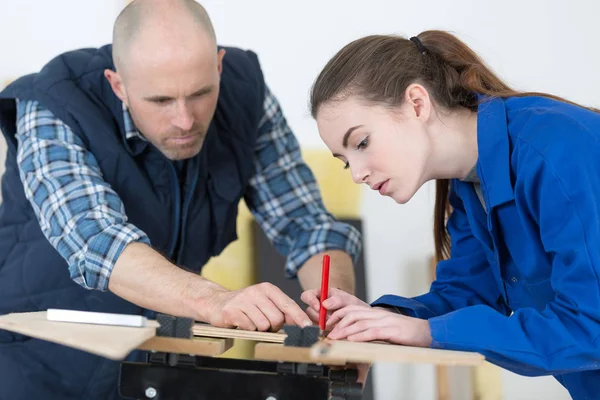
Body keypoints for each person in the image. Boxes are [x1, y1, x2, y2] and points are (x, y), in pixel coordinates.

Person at [0, 1, 361, 398]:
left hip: (155, 364)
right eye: (161, 101)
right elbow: (96, 242)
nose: (185, 120)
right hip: (37, 368)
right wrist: (216, 300)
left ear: (218, 66)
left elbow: (305, 223)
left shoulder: (246, 93)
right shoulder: (51, 104)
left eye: (201, 93)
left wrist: (341, 315)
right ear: (118, 84)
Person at [301, 30, 600, 400]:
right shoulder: (470, 186)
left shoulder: (556, 152)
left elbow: (591, 325)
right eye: (346, 161)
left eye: (362, 142)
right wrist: (378, 323)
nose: (358, 172)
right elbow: (468, 294)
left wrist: (425, 333)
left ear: (416, 103)